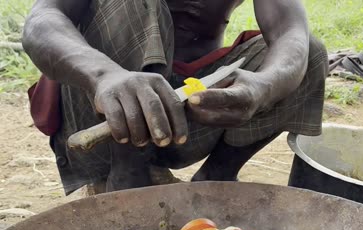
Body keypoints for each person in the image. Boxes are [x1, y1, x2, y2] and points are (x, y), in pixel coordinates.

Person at [22, 0, 328, 194]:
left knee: (307, 53)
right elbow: (41, 19)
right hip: (101, 117)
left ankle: (215, 179)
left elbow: (291, 33)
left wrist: (262, 88)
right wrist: (105, 76)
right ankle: (127, 177)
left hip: (189, 117)